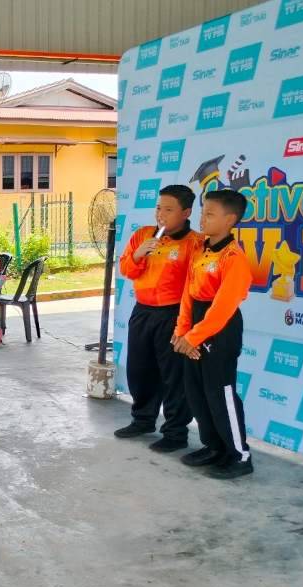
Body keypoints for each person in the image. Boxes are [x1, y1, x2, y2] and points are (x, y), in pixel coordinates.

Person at [173, 189, 255, 480]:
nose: (202, 218)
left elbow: (221, 309)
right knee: (196, 391)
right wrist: (181, 332)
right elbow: (188, 293)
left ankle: (238, 455)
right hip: (195, 325)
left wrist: (193, 338)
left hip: (220, 330)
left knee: (220, 393)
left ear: (230, 219)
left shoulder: (234, 258)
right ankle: (214, 447)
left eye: (209, 213)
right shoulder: (201, 250)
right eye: (202, 212)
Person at [114, 185, 202, 452]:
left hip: (174, 314)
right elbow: (128, 269)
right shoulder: (143, 235)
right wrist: (140, 253)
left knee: (174, 376)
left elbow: (197, 283)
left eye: (168, 209)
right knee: (140, 369)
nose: (160, 215)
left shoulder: (195, 243)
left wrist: (186, 324)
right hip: (143, 310)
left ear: (186, 212)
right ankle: (142, 419)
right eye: (158, 208)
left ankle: (175, 433)